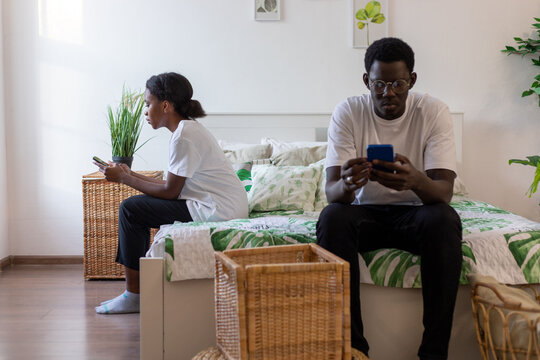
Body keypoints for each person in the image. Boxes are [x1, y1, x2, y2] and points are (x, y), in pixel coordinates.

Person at [316, 38, 462, 360]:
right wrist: (349, 182)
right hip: (363, 215)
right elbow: (331, 193)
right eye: (379, 84)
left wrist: (415, 180)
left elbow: (444, 192)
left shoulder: (434, 111)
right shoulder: (348, 111)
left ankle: (434, 353)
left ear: (412, 80)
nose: (388, 93)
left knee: (444, 218)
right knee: (332, 217)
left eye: (397, 83)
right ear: (367, 81)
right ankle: (354, 350)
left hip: (416, 215)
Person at [93, 72, 249, 314]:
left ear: (165, 105)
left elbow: (170, 192)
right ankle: (134, 293)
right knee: (135, 206)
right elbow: (170, 183)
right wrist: (129, 174)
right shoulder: (187, 130)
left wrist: (125, 178)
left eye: (148, 104)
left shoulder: (184, 136)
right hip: (219, 205)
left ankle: (134, 295)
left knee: (131, 209)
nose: (145, 111)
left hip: (218, 210)